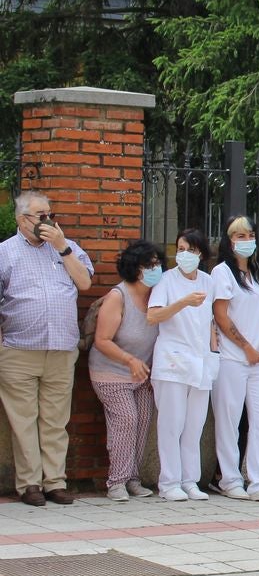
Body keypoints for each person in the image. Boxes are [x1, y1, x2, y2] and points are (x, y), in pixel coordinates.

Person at [0, 191, 94, 506]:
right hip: (19, 350)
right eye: (38, 215)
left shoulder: (67, 247)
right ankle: (30, 485)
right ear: (21, 219)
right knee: (24, 421)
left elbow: (84, 283)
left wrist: (62, 247)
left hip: (61, 349)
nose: (45, 220)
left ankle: (55, 482)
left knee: (55, 421)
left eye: (48, 214)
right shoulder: (6, 253)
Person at [210, 216, 259, 505]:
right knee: (229, 420)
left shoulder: (256, 274)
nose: (246, 240)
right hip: (232, 359)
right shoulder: (222, 273)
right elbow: (221, 315)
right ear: (228, 241)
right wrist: (246, 347)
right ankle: (229, 479)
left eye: (250, 234)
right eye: (239, 236)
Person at [147, 228, 217, 501]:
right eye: (180, 249)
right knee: (171, 424)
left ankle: (190, 480)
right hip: (172, 362)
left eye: (191, 250)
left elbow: (210, 321)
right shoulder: (166, 281)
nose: (185, 255)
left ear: (201, 254)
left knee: (194, 426)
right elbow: (154, 316)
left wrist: (214, 354)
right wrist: (184, 302)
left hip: (201, 361)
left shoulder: (209, 282)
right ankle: (169, 483)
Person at [89, 240, 160, 502]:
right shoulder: (118, 296)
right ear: (134, 267)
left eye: (157, 263)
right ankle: (116, 481)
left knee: (142, 422)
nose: (155, 269)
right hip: (111, 371)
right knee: (126, 419)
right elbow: (102, 340)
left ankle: (133, 478)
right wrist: (130, 360)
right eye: (148, 264)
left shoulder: (157, 295)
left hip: (141, 373)